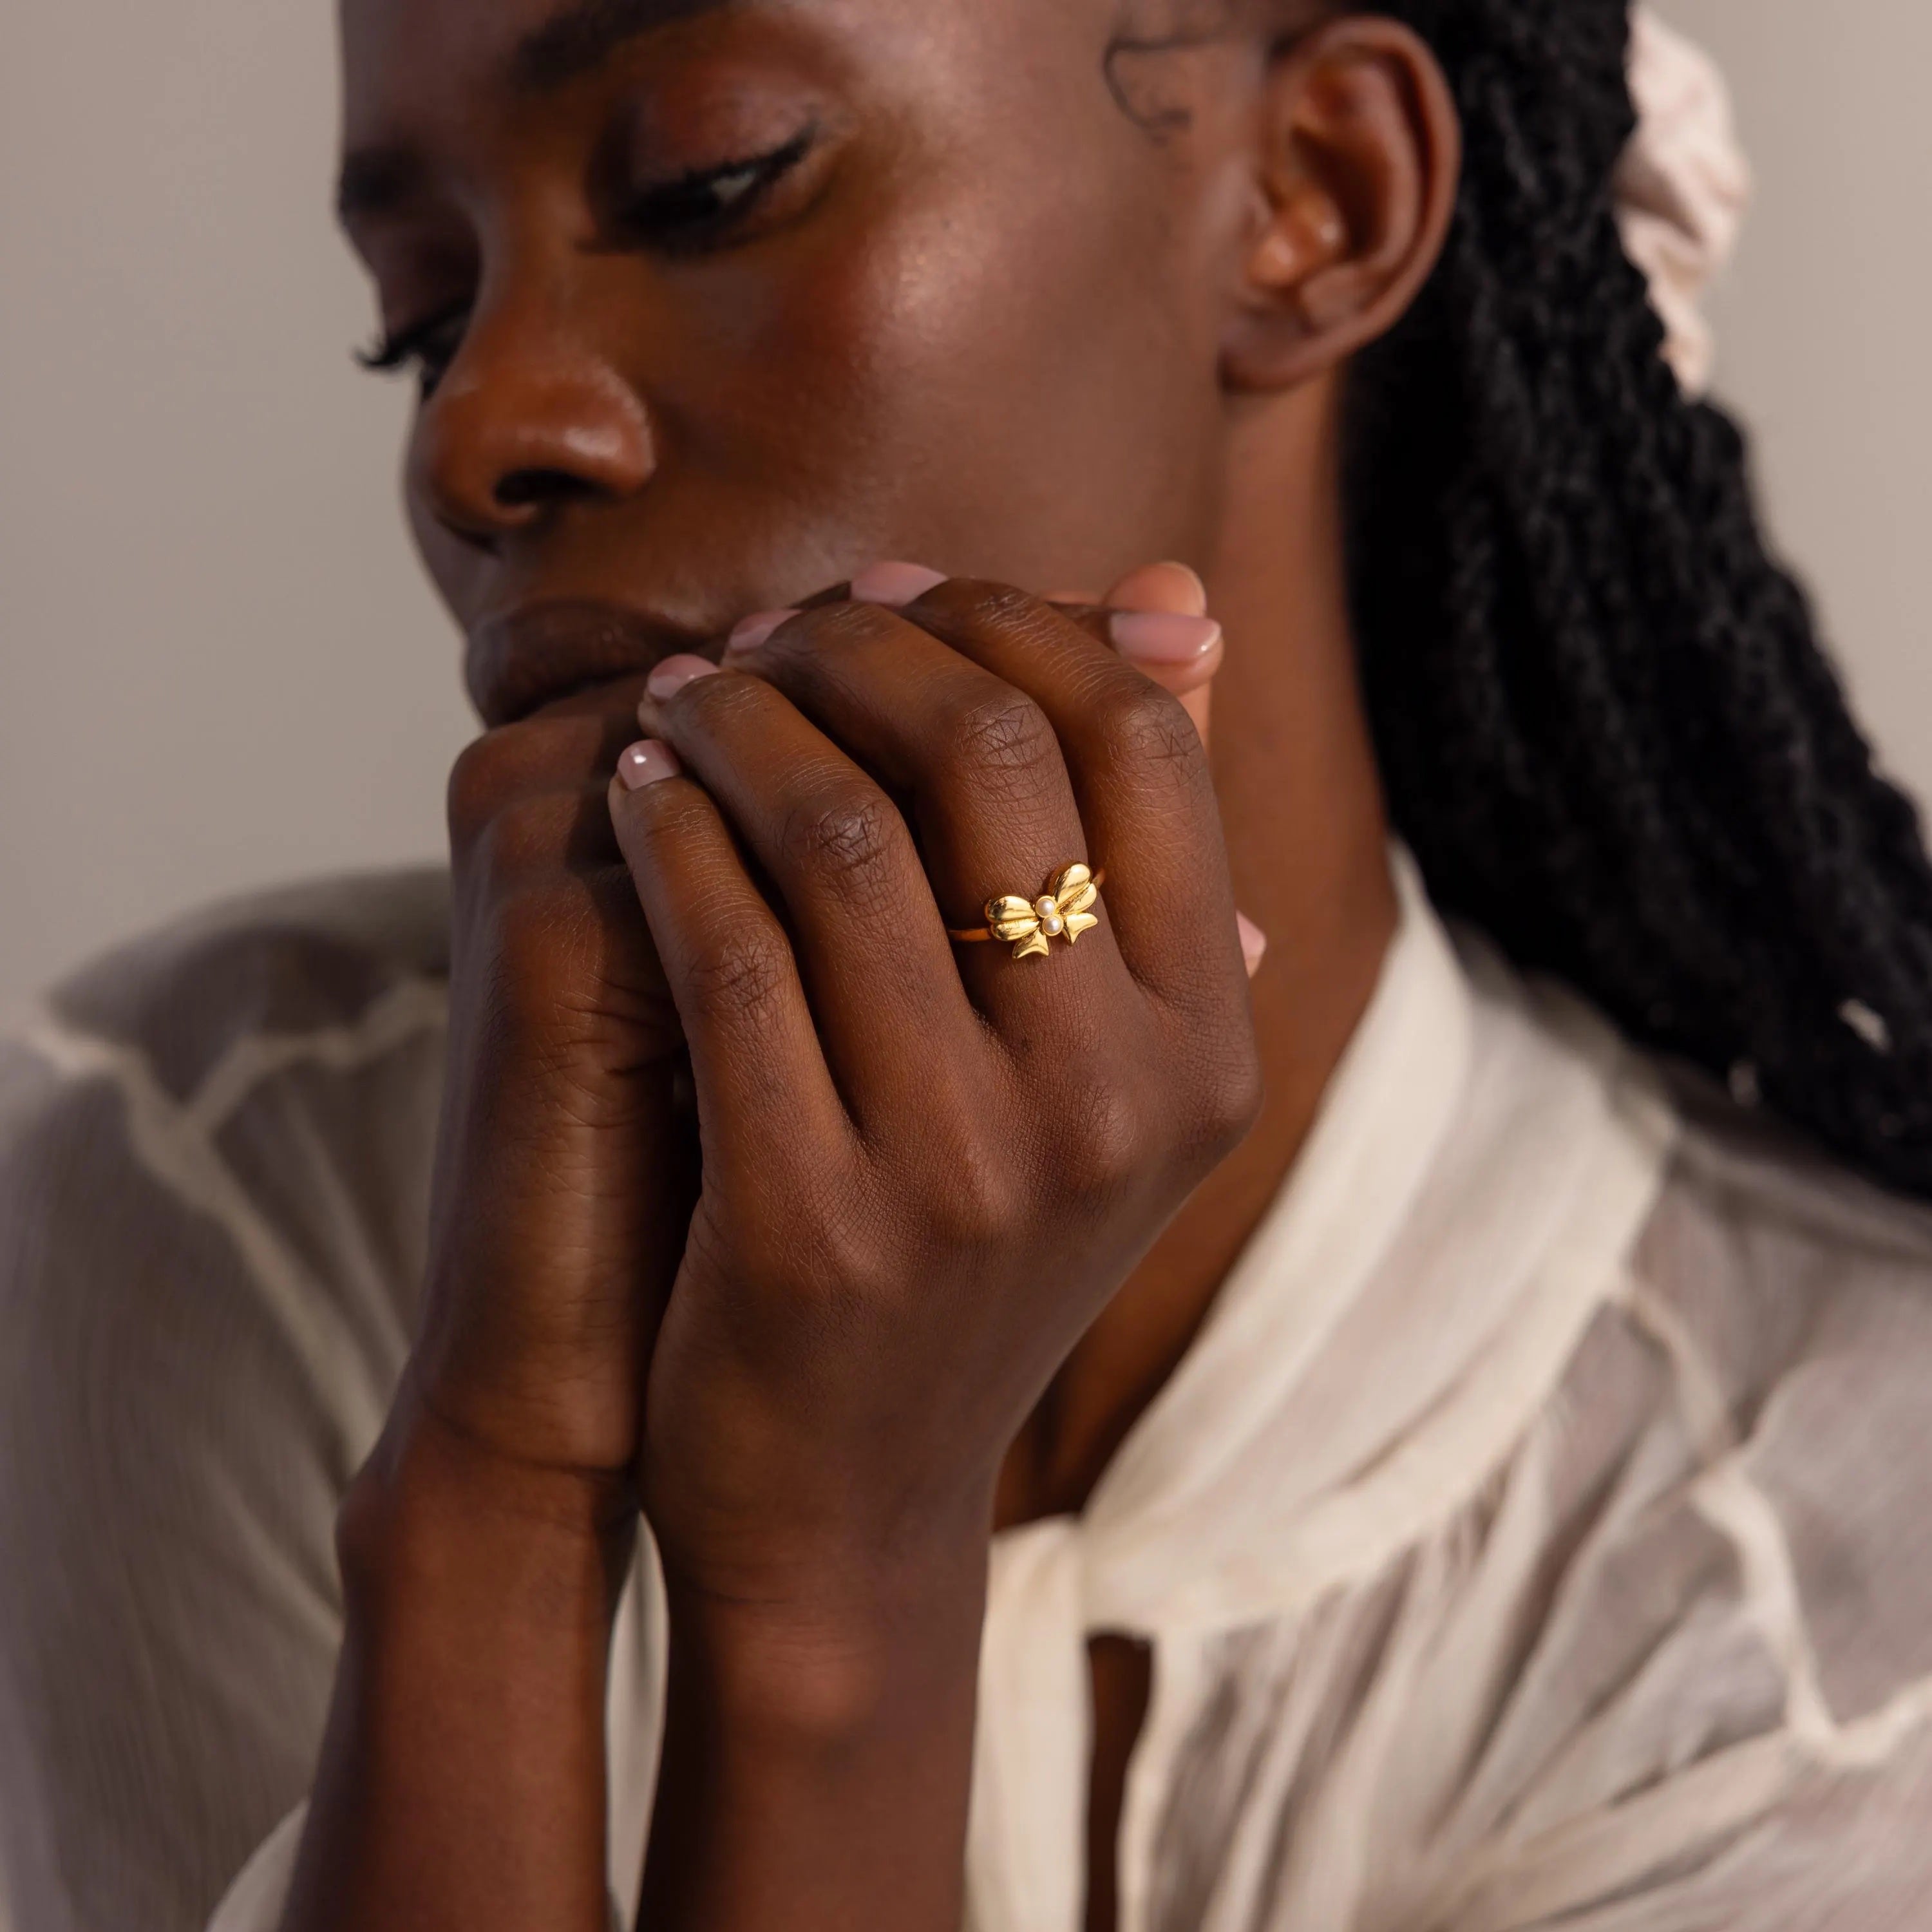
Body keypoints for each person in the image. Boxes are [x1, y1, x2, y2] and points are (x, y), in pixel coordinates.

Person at [5, 1, 1932, 1927]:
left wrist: (832, 1583)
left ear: (1317, 196)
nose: (480, 435)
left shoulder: (1829, 1568)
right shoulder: (182, 1225)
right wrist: (488, 1497)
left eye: (708, 186)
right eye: (421, 315)